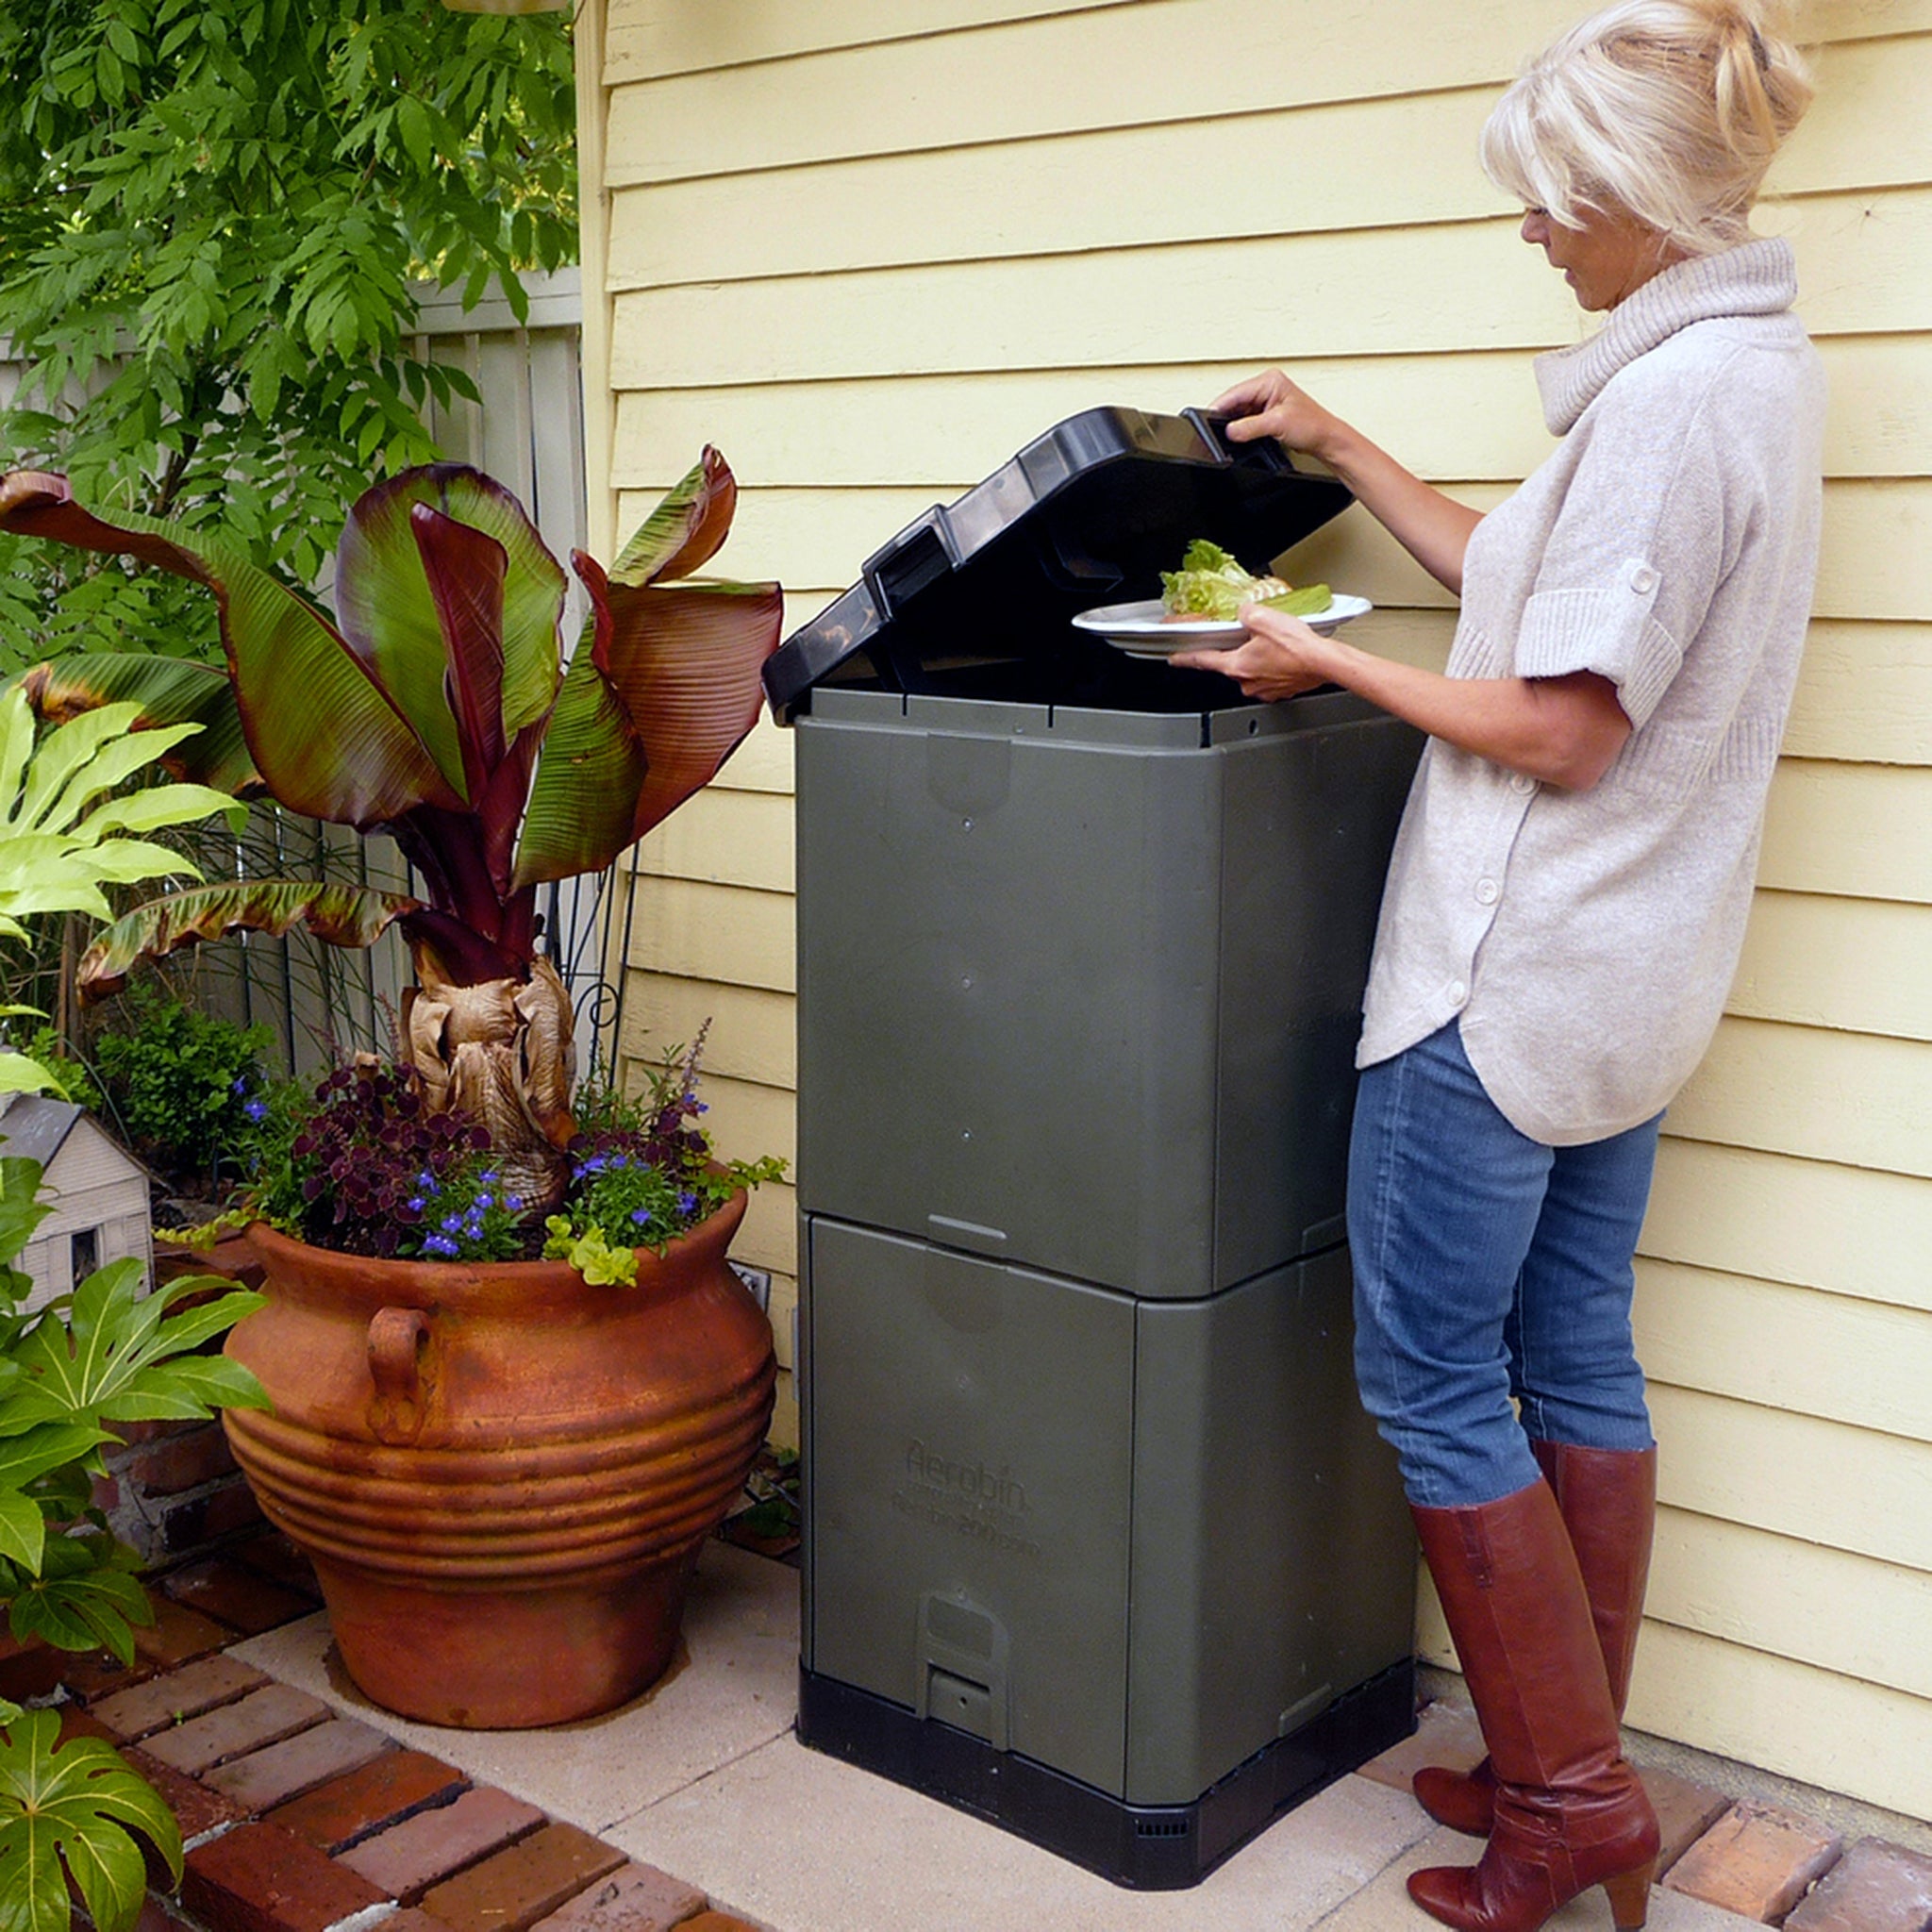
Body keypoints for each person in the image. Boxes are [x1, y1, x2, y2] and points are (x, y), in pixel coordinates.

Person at [1171, 6, 1823, 1930]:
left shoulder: (1674, 409)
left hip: (1502, 983)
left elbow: (1555, 727)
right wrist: (1341, 439)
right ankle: (1581, 1767)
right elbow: (1518, 579)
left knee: (1433, 1374)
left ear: (1619, 196)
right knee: (1567, 1354)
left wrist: (1317, 661)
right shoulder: (1747, 372)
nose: (1531, 235)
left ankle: (1558, 1808)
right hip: (1634, 980)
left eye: (1545, 207)